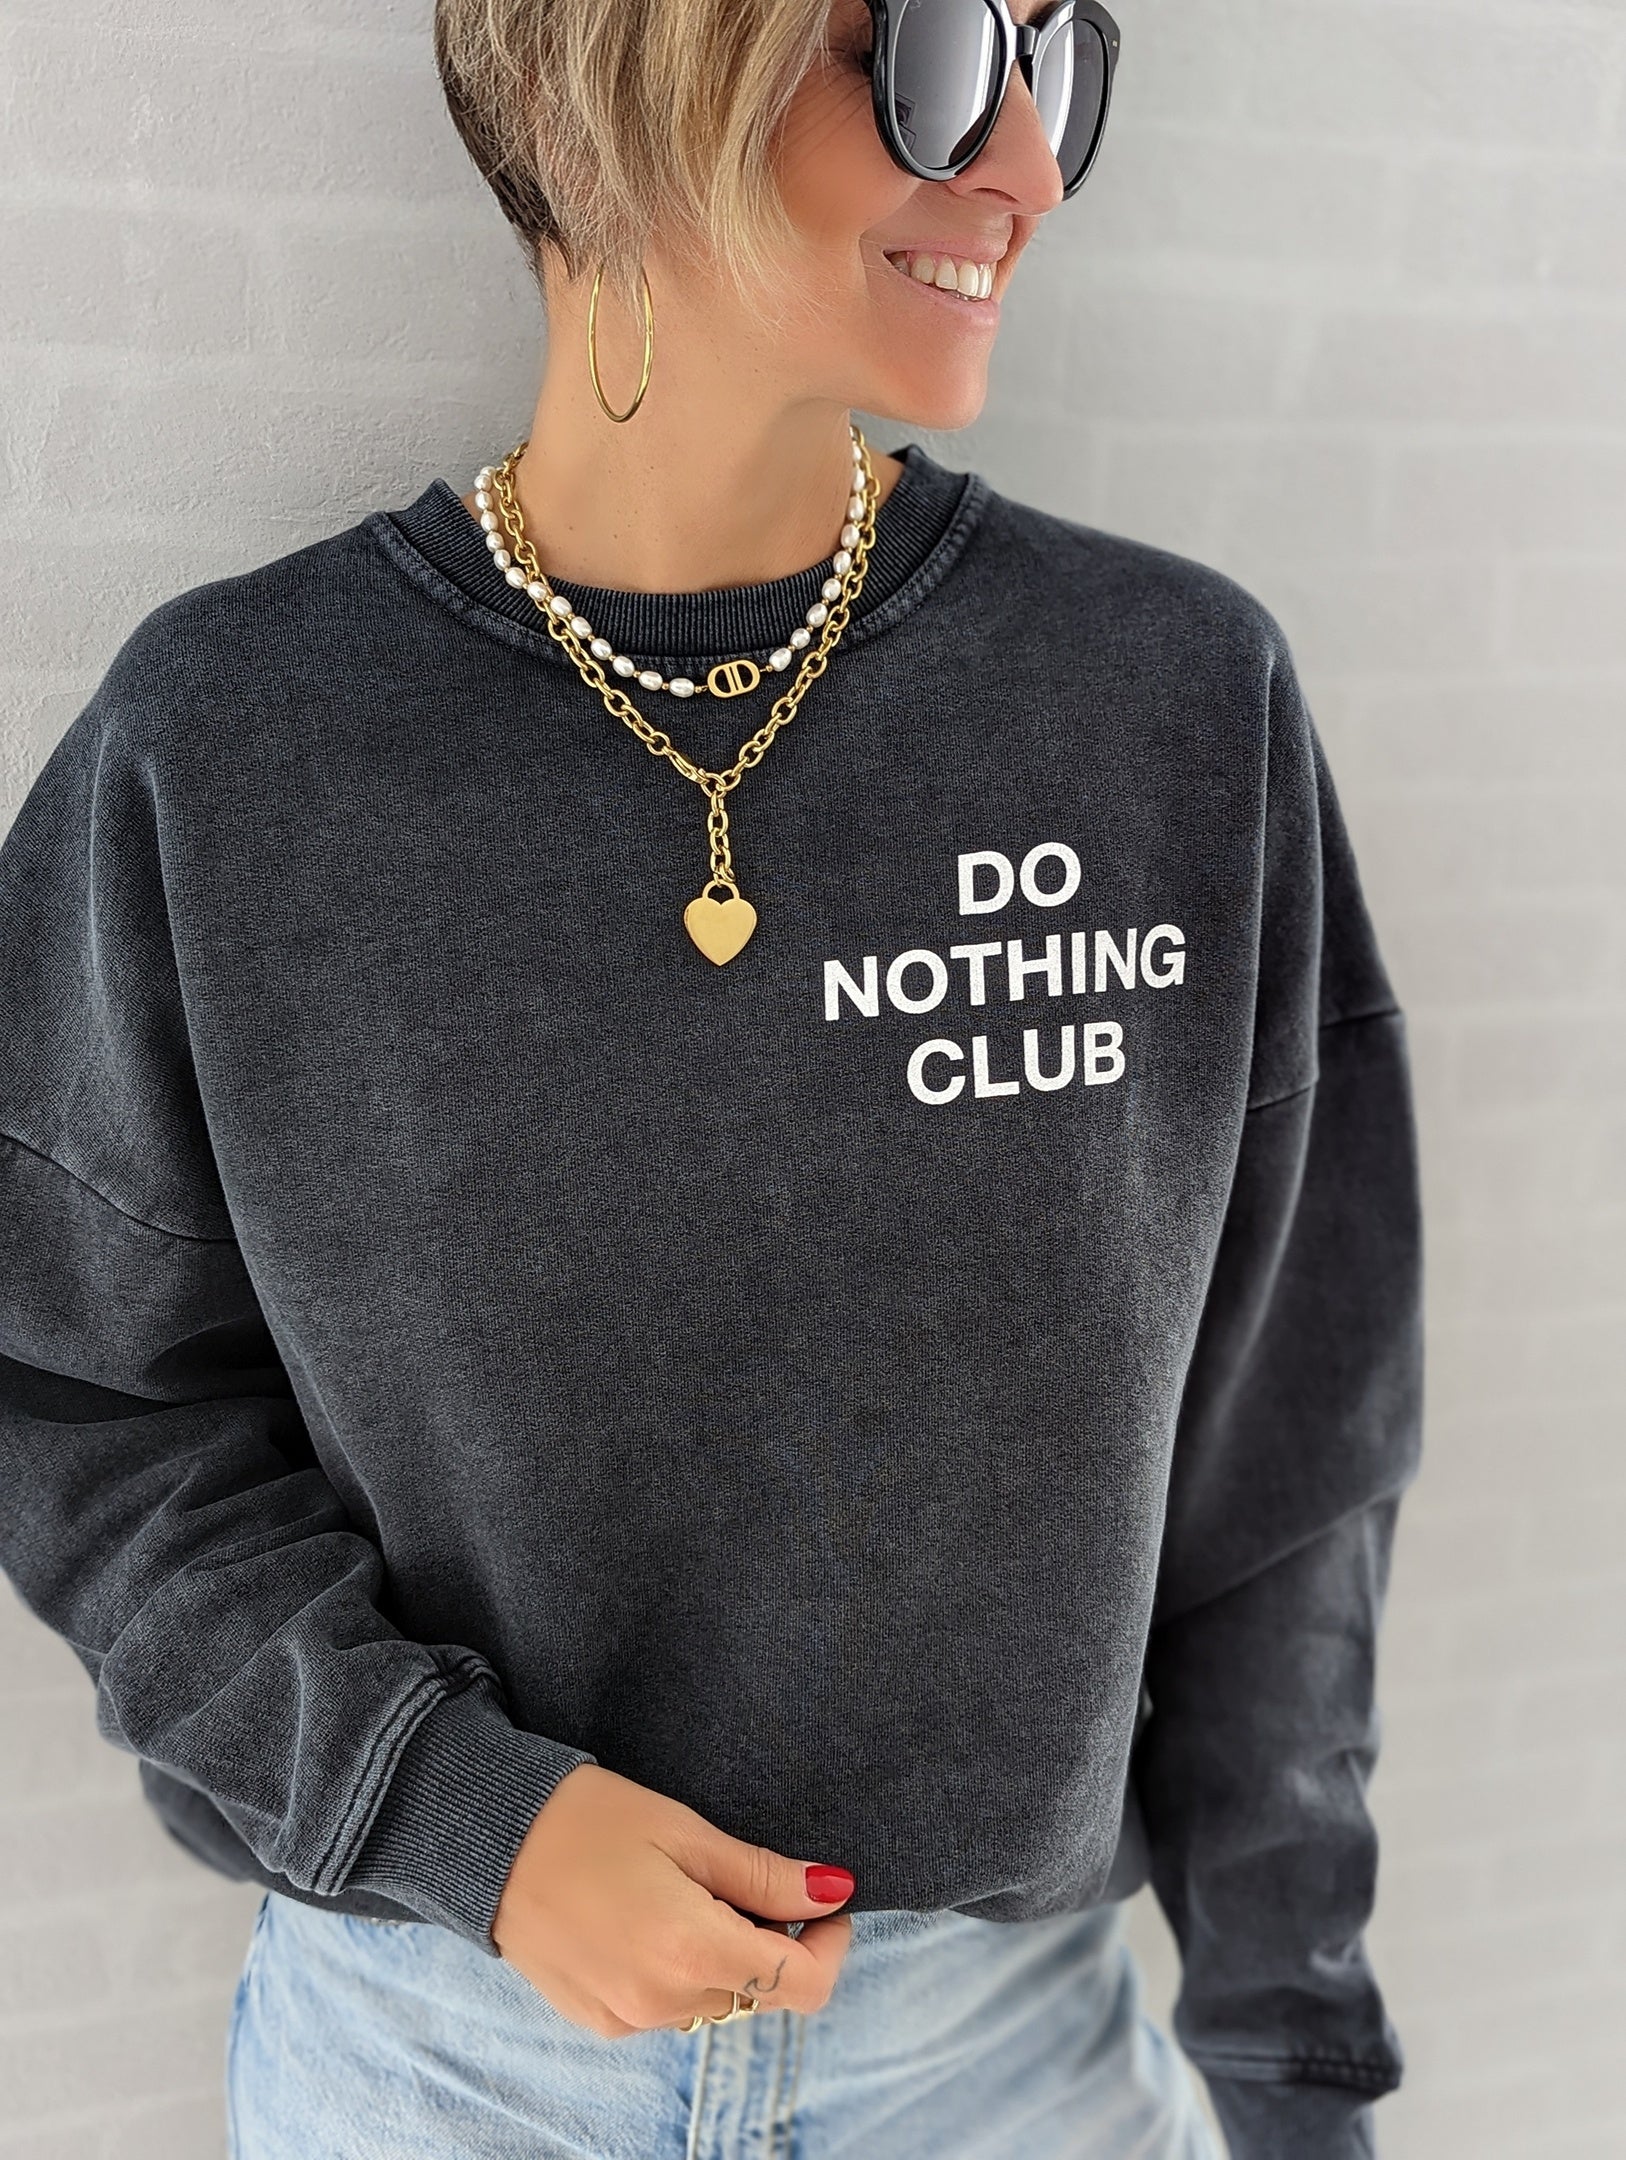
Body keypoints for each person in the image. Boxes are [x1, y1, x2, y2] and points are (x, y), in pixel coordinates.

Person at [0, 2, 1422, 2155]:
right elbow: (78, 1391)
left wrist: (1292, 2057)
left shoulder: (1166, 704)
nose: (1029, 168)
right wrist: (438, 1804)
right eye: (939, 53)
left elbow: (1288, 1454)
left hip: (1008, 2067)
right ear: (639, 55)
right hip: (438, 2058)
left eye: (1063, 59)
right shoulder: (233, 747)